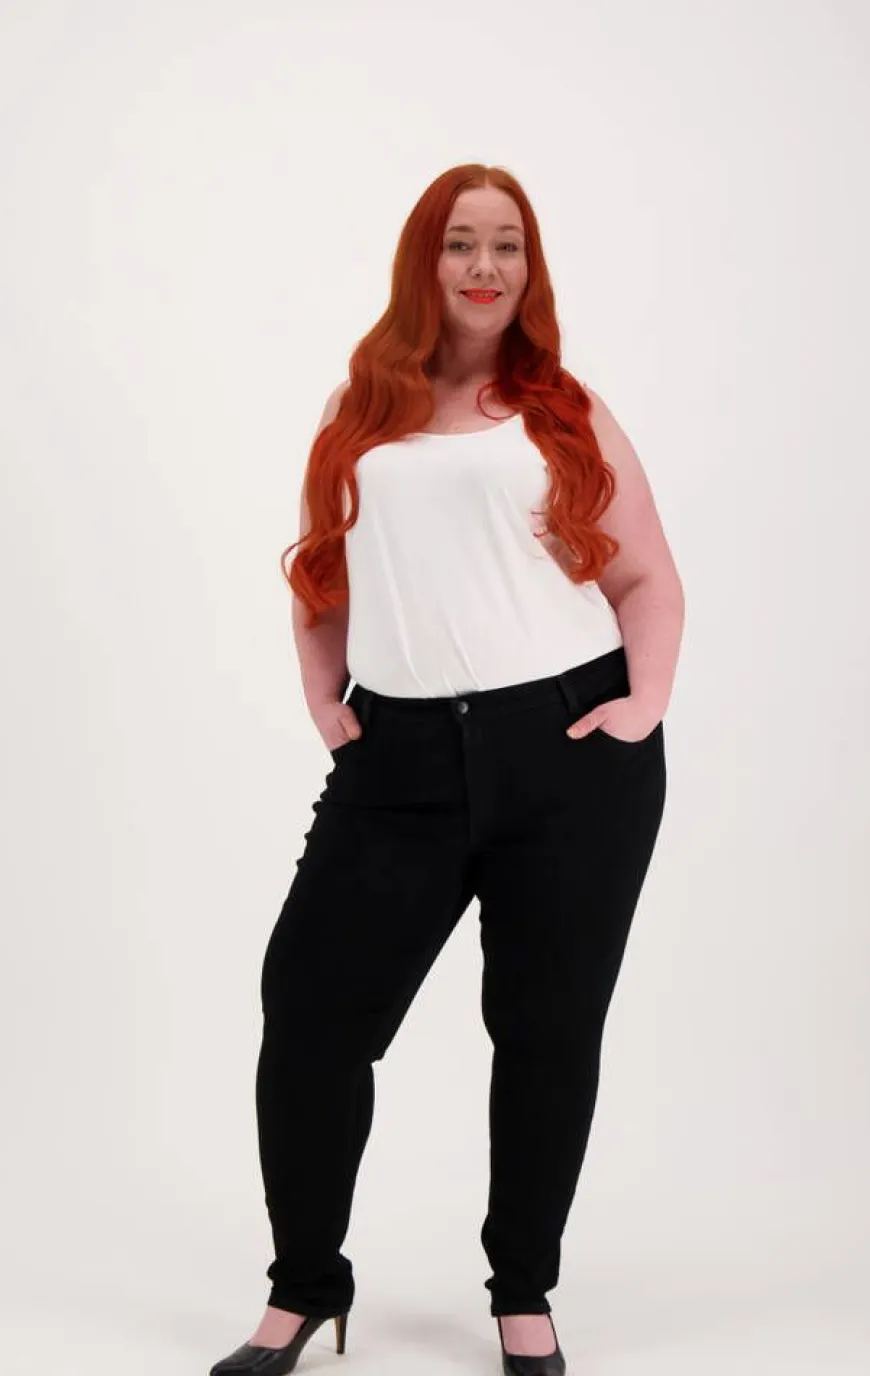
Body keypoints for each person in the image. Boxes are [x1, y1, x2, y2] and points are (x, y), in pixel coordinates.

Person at [209, 163, 685, 1376]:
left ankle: (522, 1291)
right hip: (399, 757)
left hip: (569, 752)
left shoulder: (564, 409)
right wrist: (324, 699)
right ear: (424, 259)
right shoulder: (361, 406)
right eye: (460, 242)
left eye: (506, 244)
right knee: (310, 1011)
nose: (483, 266)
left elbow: (644, 576)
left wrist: (640, 709)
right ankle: (303, 1285)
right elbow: (323, 573)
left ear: (530, 266)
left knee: (543, 1028)